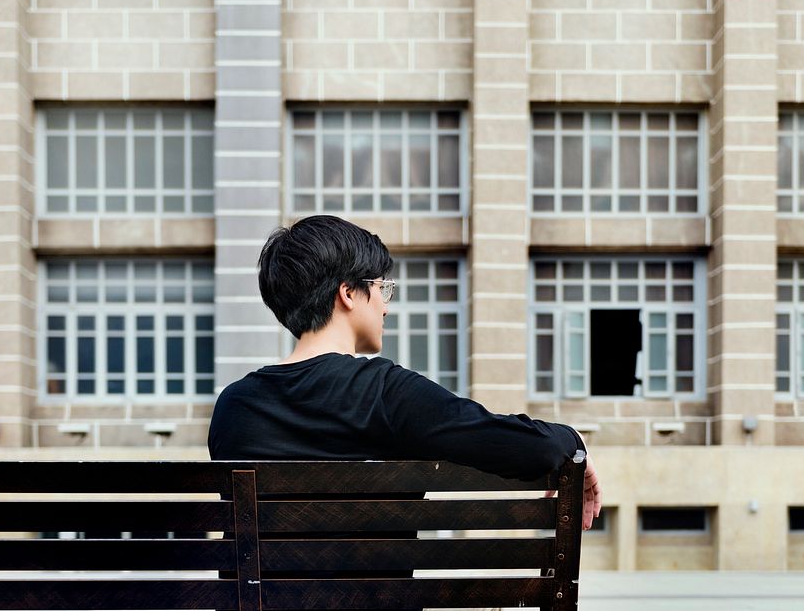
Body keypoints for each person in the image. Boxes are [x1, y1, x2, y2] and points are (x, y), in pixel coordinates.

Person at [208, 214, 601, 529]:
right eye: (382, 288)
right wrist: (574, 439)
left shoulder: (234, 406)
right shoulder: (385, 392)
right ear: (348, 293)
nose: (386, 307)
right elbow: (531, 447)